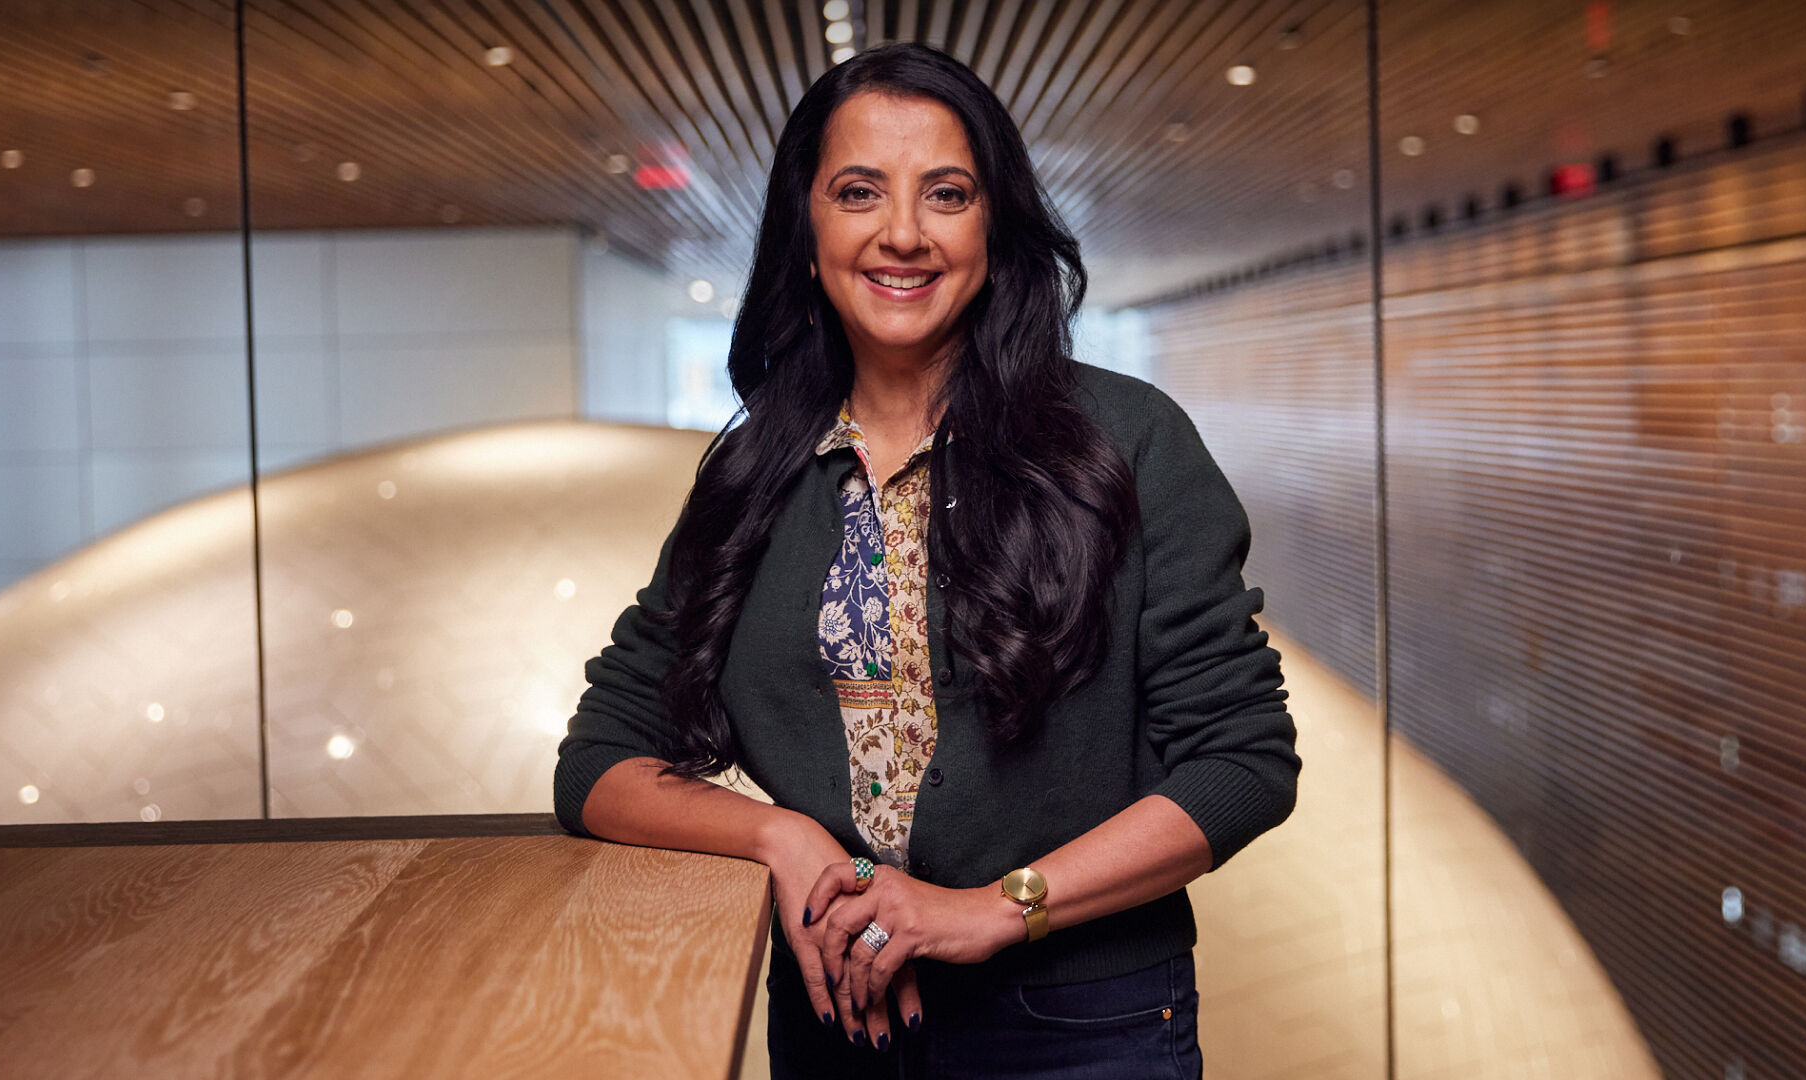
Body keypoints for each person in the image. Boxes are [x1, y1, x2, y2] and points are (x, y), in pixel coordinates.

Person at [555, 41, 1298, 1079]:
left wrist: (992, 910)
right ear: (807, 230)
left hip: (1081, 1029)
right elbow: (599, 764)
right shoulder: (756, 468)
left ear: (993, 226)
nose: (901, 233)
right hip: (833, 1018)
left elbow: (1243, 764)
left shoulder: (1126, 442)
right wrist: (781, 841)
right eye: (859, 191)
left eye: (945, 194)